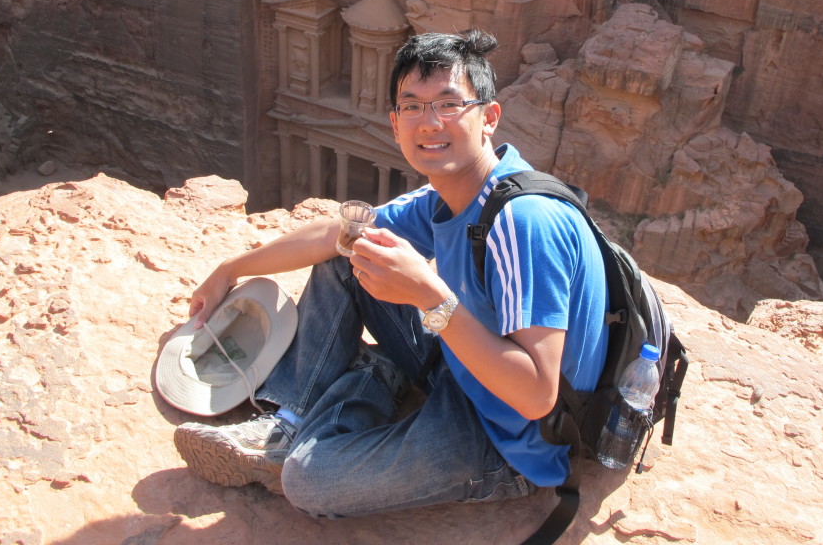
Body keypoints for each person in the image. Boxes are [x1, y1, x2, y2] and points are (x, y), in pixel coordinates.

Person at [174, 30, 608, 518]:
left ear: (488, 117)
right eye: (413, 107)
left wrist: (430, 297)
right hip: (463, 365)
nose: (430, 122)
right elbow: (333, 234)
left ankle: (364, 387)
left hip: (510, 438)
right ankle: (293, 417)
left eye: (448, 104)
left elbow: (534, 395)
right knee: (353, 251)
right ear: (394, 123)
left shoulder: (523, 222)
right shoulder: (451, 195)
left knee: (310, 481)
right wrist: (228, 268)